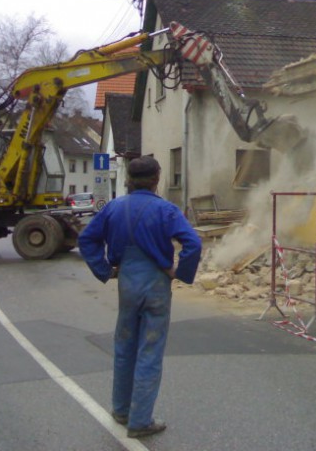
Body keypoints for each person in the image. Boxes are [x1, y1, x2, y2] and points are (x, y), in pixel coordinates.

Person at [78, 155, 202, 439]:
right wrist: (179, 272)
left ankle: (121, 410)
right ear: (157, 179)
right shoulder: (166, 210)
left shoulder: (114, 207)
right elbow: (193, 243)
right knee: (150, 350)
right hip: (156, 283)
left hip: (127, 281)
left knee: (124, 346)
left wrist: (105, 269)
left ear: (129, 180)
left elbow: (86, 239)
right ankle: (140, 421)